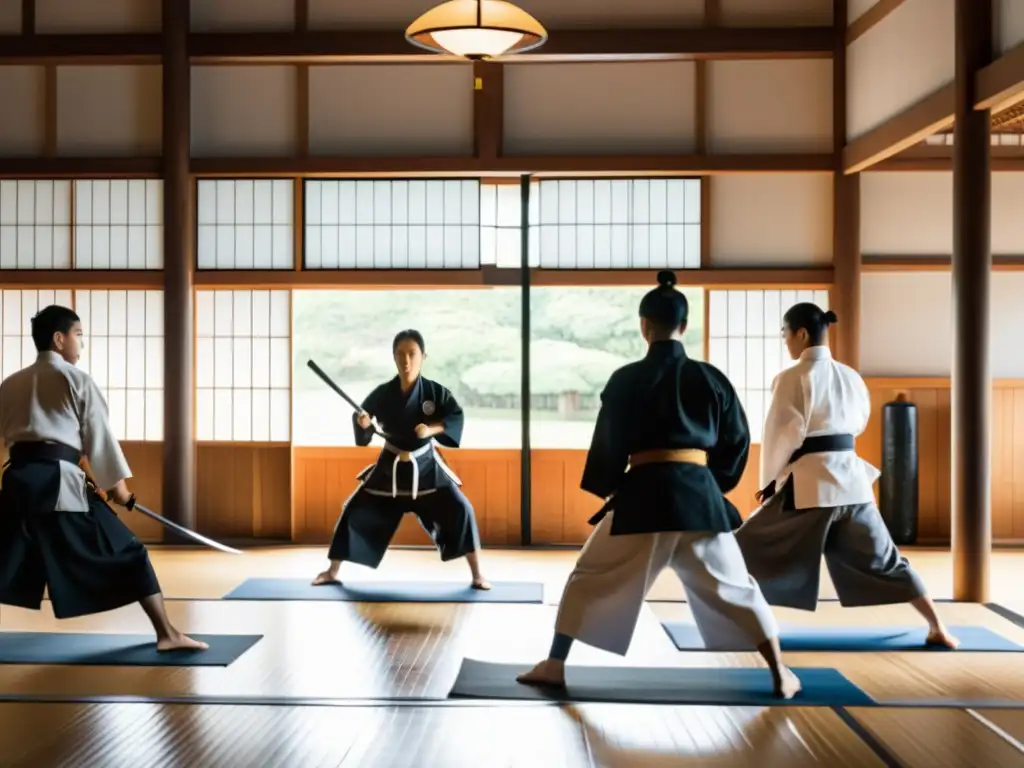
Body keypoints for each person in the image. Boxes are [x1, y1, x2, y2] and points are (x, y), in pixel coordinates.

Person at [516, 271, 800, 699]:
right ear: (683, 327)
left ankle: (555, 665)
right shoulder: (711, 378)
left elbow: (608, 441)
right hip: (699, 501)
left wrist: (612, 486)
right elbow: (737, 440)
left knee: (589, 577)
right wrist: (710, 484)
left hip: (642, 499)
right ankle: (780, 672)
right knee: (736, 587)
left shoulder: (626, 379)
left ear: (643, 325)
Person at [735, 302, 958, 649]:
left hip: (810, 484)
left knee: (744, 545)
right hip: (852, 484)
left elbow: (782, 433)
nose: (786, 342)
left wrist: (768, 482)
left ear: (801, 333)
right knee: (887, 560)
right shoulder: (851, 376)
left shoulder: (791, 377)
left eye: (785, 334)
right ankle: (937, 625)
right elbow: (859, 422)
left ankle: (744, 623)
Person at [0, 305, 207, 652]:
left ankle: (168, 632)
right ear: (58, 338)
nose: (81, 343)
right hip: (57, 485)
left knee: (7, 557)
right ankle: (168, 634)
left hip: (18, 485)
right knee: (128, 549)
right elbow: (100, 440)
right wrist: (120, 491)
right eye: (78, 335)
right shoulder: (76, 380)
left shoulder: (10, 384)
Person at [313, 329, 490, 590]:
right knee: (354, 509)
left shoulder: (435, 392)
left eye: (412, 354)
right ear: (393, 358)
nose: (406, 360)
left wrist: (430, 430)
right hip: (389, 470)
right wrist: (363, 423)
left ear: (423, 356)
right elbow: (364, 422)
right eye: (400, 354)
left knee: (461, 509)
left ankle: (477, 574)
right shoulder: (383, 393)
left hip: (426, 468)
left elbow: (454, 418)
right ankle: (332, 571)